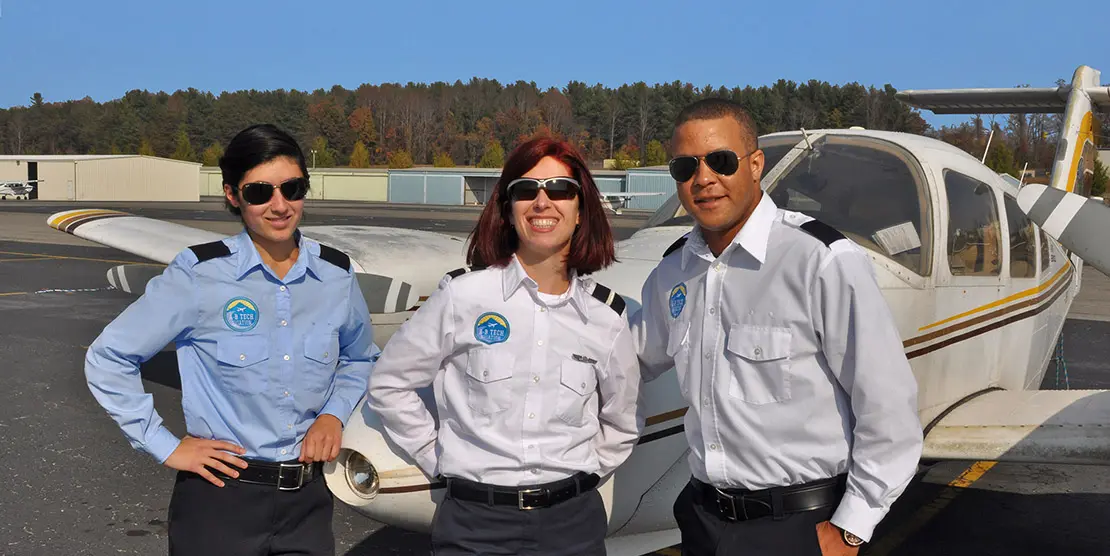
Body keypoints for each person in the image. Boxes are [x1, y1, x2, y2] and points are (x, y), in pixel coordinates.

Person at [632, 99, 922, 555]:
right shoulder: (673, 273)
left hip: (800, 526)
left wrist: (851, 528)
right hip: (703, 521)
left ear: (755, 165)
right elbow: (629, 358)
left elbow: (888, 407)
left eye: (721, 161)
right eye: (685, 166)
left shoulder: (820, 260)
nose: (703, 179)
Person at [84, 123, 376, 556]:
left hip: (309, 501)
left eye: (292, 188)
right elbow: (109, 357)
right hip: (221, 498)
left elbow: (360, 357)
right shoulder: (200, 275)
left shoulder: (335, 275)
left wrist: (333, 415)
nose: (279, 206)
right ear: (232, 195)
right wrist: (165, 444)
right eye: (259, 192)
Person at [368, 136, 642, 556]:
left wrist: (578, 479)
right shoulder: (463, 296)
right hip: (475, 525)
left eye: (560, 190)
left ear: (581, 208)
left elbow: (621, 423)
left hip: (571, 525)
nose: (542, 202)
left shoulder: (605, 317)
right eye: (526, 190)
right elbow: (390, 384)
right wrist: (437, 457)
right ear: (508, 209)